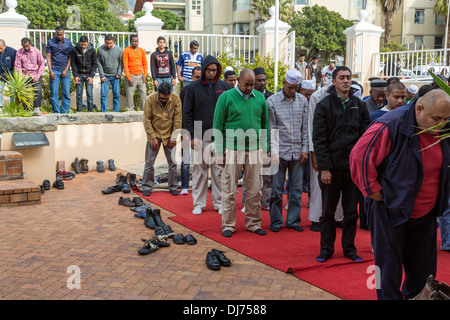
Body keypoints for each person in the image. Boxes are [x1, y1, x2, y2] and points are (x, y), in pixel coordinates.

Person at [349, 89, 450, 300]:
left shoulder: (443, 128)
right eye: (437, 118)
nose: (442, 124)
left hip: (426, 212)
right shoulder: (390, 124)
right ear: (419, 108)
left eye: (446, 119)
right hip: (390, 208)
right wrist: (372, 191)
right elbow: (359, 156)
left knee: (424, 272)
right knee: (387, 270)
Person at [312, 66, 370, 263]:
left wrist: (361, 165)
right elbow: (319, 139)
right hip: (331, 169)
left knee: (351, 212)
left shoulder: (359, 105)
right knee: (327, 211)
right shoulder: (324, 105)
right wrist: (324, 168)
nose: (346, 81)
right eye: (342, 78)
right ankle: (326, 249)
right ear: (333, 82)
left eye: (349, 77)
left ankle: (349, 249)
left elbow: (365, 138)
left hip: (352, 169)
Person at [213, 68, 269, 237]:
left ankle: (253, 223)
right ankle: (228, 225)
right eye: (247, 84)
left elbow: (265, 125)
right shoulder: (226, 97)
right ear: (238, 80)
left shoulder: (260, 98)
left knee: (255, 189)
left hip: (254, 149)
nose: (250, 88)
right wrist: (220, 152)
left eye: (252, 85)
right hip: (232, 149)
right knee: (229, 188)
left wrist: (265, 150)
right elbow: (217, 126)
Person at [183, 55, 231, 215]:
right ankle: (199, 203)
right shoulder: (192, 88)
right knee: (199, 172)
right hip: (199, 137)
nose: (211, 73)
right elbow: (187, 114)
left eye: (214, 70)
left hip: (219, 138)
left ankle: (219, 204)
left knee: (219, 173)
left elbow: (230, 113)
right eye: (208, 70)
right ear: (203, 70)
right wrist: (190, 135)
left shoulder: (224, 87)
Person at [267, 69, 309, 233]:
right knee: (276, 190)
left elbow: (305, 128)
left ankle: (293, 220)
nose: (292, 91)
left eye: (295, 88)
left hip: (298, 151)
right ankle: (276, 222)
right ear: (283, 83)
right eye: (290, 87)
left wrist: (305, 149)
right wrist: (274, 152)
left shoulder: (303, 101)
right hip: (280, 151)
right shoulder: (272, 101)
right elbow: (272, 129)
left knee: (297, 190)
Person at [308, 81, 344, 232]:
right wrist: (313, 152)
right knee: (317, 184)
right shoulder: (318, 96)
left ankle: (338, 217)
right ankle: (316, 218)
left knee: (340, 184)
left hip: (340, 147)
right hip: (321, 146)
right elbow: (312, 125)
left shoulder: (348, 96)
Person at [142, 82, 182, 197]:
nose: (164, 100)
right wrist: (152, 138)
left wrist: (174, 137)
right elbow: (147, 121)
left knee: (173, 163)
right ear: (158, 92)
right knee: (149, 163)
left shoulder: (176, 99)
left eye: (166, 98)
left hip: (170, 136)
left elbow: (178, 120)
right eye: (162, 98)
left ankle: (173, 186)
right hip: (154, 135)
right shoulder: (150, 100)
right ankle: (147, 187)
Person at [179, 66, 202, 196]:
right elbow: (183, 113)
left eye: (200, 77)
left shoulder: (204, 90)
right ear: (192, 77)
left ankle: (198, 185)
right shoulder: (185, 91)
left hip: (200, 129)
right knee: (186, 159)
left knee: (199, 160)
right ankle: (184, 186)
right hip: (187, 129)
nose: (198, 79)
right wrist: (184, 132)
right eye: (197, 77)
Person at [14, 37, 45, 116]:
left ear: (30, 44)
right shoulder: (19, 52)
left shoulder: (36, 51)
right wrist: (21, 78)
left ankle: (36, 108)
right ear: (22, 45)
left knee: (37, 91)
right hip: (24, 75)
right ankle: (27, 109)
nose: (26, 48)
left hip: (35, 74)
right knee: (24, 92)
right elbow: (17, 66)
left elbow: (42, 64)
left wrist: (37, 76)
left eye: (27, 46)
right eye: (24, 46)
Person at [46, 26, 73, 114]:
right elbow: (48, 57)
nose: (60, 36)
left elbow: (70, 57)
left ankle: (65, 113)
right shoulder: (50, 42)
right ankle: (56, 113)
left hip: (65, 70)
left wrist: (66, 70)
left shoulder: (68, 42)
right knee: (54, 93)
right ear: (55, 33)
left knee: (66, 93)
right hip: (54, 70)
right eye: (58, 34)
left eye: (61, 34)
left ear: (63, 34)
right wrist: (50, 71)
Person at [71, 36, 98, 113]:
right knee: (79, 94)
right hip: (79, 74)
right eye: (82, 44)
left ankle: (90, 111)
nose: (83, 46)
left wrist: (91, 76)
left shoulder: (92, 50)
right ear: (79, 43)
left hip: (89, 74)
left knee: (89, 94)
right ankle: (79, 110)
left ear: (88, 43)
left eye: (85, 44)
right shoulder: (75, 50)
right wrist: (75, 75)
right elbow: (73, 64)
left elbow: (94, 64)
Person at [97, 34, 123, 112]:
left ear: (113, 42)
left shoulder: (118, 50)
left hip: (116, 76)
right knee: (103, 95)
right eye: (107, 43)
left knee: (116, 95)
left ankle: (115, 112)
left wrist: (119, 73)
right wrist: (102, 75)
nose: (108, 45)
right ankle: (103, 112)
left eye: (110, 43)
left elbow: (121, 62)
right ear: (104, 42)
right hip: (105, 76)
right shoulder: (100, 49)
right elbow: (99, 63)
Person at [123, 35, 148, 111]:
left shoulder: (141, 50)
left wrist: (145, 75)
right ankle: (130, 110)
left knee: (143, 93)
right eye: (134, 41)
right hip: (131, 75)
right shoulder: (126, 51)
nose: (135, 43)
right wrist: (129, 78)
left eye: (137, 41)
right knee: (130, 94)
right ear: (130, 42)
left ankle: (143, 110)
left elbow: (145, 63)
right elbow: (125, 65)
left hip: (140, 76)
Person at [0, 39, 16, 109]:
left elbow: (16, 65)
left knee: (12, 92)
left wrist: (11, 74)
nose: (0, 50)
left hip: (10, 75)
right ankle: (1, 107)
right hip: (1, 75)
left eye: (1, 48)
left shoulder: (12, 52)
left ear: (5, 46)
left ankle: (13, 108)